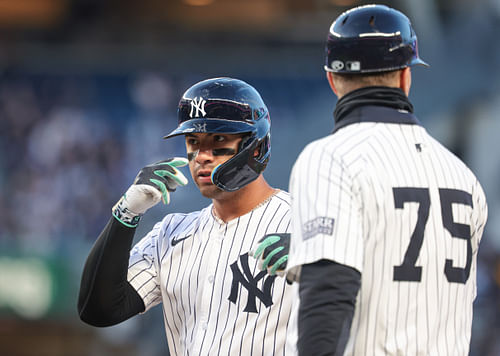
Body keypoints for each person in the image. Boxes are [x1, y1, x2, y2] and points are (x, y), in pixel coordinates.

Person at [282, 4, 488, 356]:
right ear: (407, 77)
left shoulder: (330, 157)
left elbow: (329, 290)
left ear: (332, 80)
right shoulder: (464, 177)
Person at [78, 77, 294, 355]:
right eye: (193, 141)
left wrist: (317, 255)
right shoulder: (171, 233)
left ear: (255, 146)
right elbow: (98, 310)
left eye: (218, 139)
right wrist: (125, 213)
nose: (201, 156)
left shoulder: (301, 221)